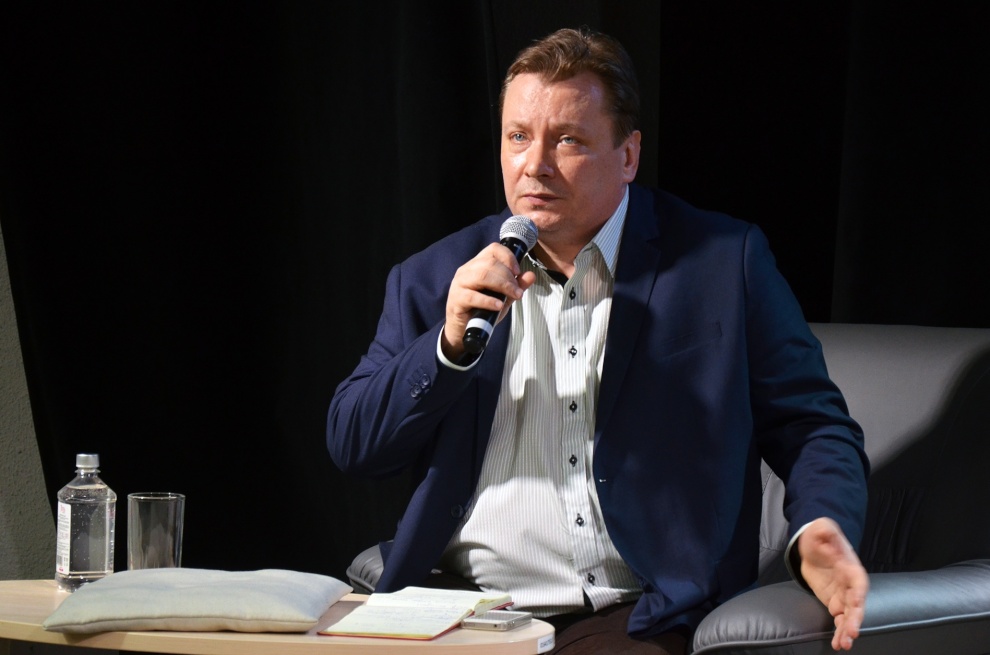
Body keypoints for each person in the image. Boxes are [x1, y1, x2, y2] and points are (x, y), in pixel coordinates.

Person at [327, 27, 869, 654]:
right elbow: (353, 444)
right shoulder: (435, 276)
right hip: (462, 606)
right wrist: (446, 347)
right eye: (518, 137)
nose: (535, 165)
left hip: (634, 611)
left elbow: (812, 425)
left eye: (569, 140)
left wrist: (819, 524)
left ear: (628, 155)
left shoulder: (724, 264)